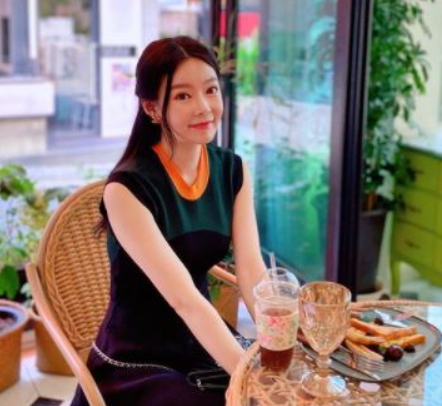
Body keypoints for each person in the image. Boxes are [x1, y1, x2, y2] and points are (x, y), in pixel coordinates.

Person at [70, 36, 266, 406]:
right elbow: (184, 300)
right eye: (182, 96)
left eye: (211, 90)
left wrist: (279, 346)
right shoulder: (126, 189)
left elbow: (253, 272)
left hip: (200, 342)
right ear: (152, 108)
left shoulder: (233, 171)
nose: (204, 107)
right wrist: (251, 379)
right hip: (135, 360)